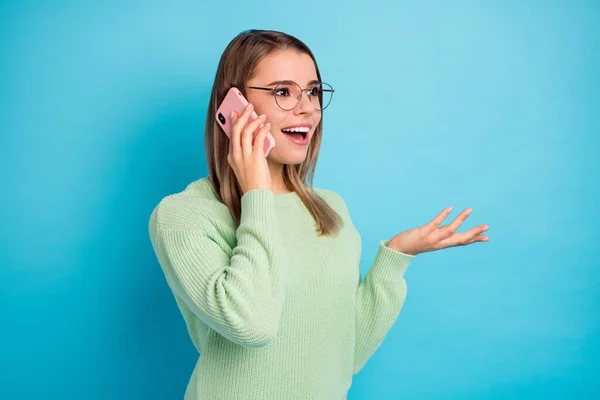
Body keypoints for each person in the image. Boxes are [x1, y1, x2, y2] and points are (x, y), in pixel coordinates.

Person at [148, 29, 490, 400]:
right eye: (283, 91)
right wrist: (257, 194)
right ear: (235, 105)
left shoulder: (330, 210)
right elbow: (252, 324)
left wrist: (396, 257)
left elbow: (346, 355)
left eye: (313, 91)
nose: (308, 108)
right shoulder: (184, 215)